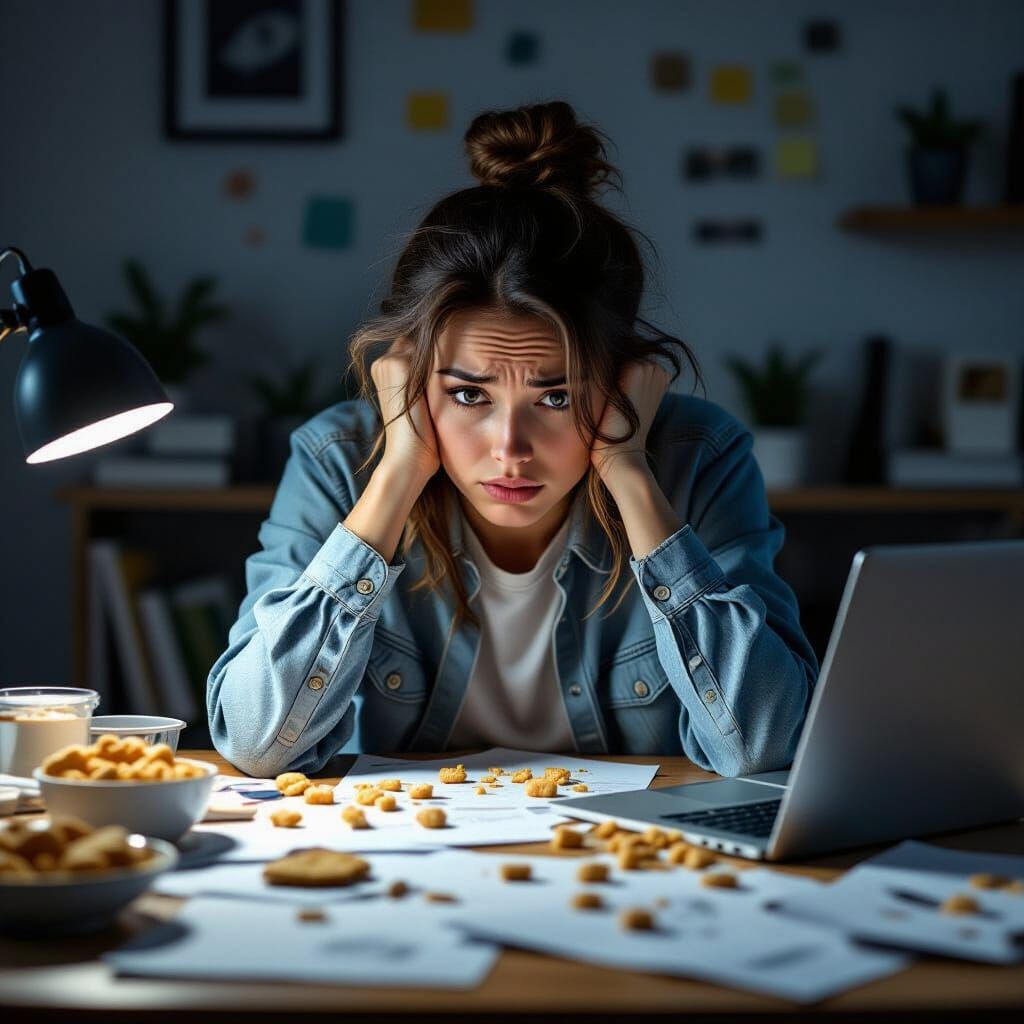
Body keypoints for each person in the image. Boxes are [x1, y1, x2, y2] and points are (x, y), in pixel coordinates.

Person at [208, 101, 819, 778]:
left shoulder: (700, 459)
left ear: (621, 380)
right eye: (470, 394)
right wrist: (398, 472)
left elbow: (763, 745)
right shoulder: (338, 459)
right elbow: (259, 741)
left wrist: (630, 472)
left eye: (556, 396)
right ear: (411, 374)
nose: (510, 448)